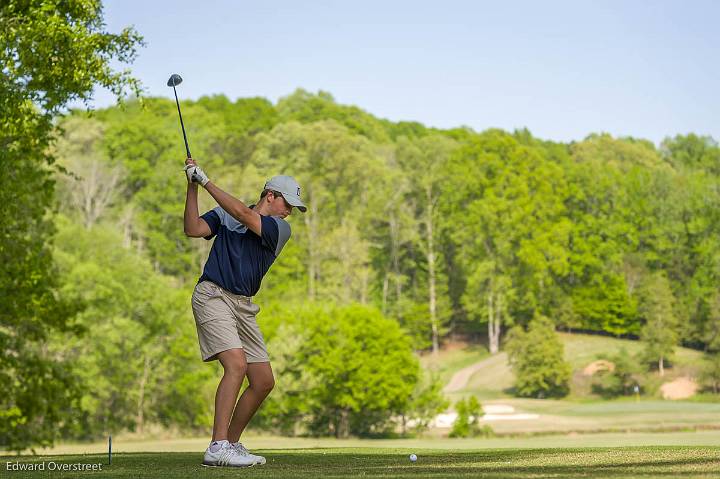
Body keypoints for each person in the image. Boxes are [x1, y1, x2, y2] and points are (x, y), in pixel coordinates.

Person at [182, 158, 306, 467]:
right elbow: (193, 228)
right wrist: (192, 186)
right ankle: (217, 446)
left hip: (243, 305)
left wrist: (206, 180)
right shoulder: (226, 215)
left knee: (263, 381)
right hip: (212, 295)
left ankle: (232, 444)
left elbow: (243, 213)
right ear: (270, 195)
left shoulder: (280, 229)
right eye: (287, 203)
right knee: (236, 365)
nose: (289, 211)